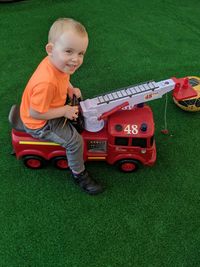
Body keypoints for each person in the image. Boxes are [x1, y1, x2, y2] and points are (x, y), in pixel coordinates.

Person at [20, 18, 103, 195]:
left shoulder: (58, 64)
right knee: (75, 141)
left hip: (49, 108)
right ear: (50, 50)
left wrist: (71, 89)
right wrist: (64, 111)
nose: (76, 59)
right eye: (69, 51)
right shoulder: (46, 83)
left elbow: (63, 78)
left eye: (81, 53)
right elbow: (35, 113)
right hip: (40, 123)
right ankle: (79, 174)